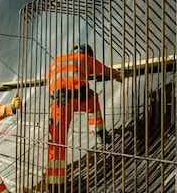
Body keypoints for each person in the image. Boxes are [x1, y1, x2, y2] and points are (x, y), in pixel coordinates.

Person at [46, 44, 122, 185]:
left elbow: (50, 83)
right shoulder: (84, 58)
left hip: (58, 104)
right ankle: (100, 134)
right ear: (88, 54)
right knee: (92, 100)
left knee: (57, 143)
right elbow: (105, 70)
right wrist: (117, 76)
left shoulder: (55, 61)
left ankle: (55, 183)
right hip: (80, 98)